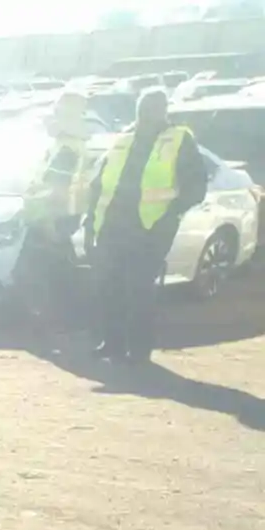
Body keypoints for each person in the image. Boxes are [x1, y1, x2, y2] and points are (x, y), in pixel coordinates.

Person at [85, 88, 208, 365]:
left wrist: (170, 216)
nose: (147, 114)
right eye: (143, 108)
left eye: (154, 108)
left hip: (150, 229)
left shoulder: (178, 139)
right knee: (109, 287)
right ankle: (113, 343)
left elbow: (196, 186)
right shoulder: (123, 139)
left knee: (139, 290)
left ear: (164, 111)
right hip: (112, 227)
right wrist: (90, 223)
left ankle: (138, 351)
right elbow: (99, 183)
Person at [17, 90, 92, 329]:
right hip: (61, 215)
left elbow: (55, 187)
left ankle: (63, 320)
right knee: (61, 269)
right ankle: (70, 318)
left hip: (55, 217)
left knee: (53, 272)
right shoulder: (66, 143)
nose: (50, 118)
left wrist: (46, 221)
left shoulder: (67, 147)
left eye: (56, 112)